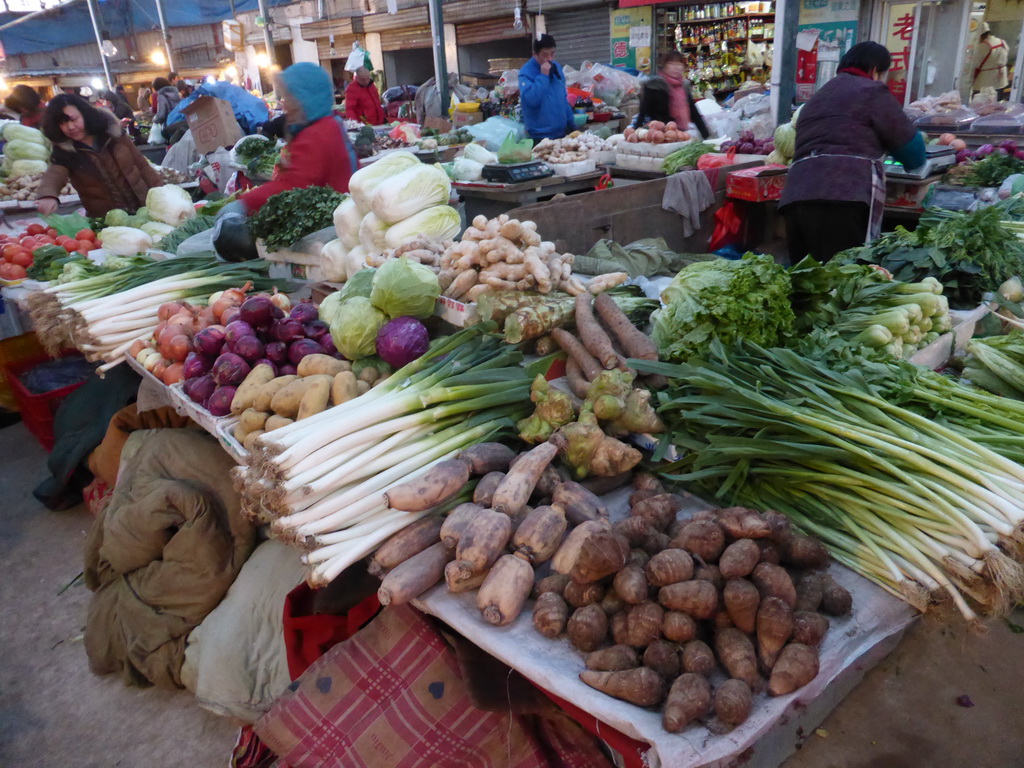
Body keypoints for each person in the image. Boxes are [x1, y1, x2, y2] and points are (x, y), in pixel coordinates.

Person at [779, 42, 926, 263]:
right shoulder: (871, 91)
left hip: (796, 196)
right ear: (875, 70)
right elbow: (912, 153)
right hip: (843, 197)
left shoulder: (817, 98)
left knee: (805, 281)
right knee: (842, 281)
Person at [225, 62, 357, 215]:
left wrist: (245, 203)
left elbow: (293, 187)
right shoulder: (330, 123)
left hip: (334, 217)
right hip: (341, 210)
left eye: (289, 97)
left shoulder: (316, 135)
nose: (285, 104)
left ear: (304, 98)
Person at [34, 94, 162, 218]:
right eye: (62, 123)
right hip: (106, 220)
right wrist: (48, 195)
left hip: (143, 207)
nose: (70, 127)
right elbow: (55, 173)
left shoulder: (112, 133)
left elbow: (142, 165)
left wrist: (162, 194)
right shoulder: (65, 150)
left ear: (85, 114)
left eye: (73, 120)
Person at [634, 51, 708, 138]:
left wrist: (706, 135)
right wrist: (636, 133)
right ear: (665, 66)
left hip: (680, 134)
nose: (676, 68)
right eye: (672, 64)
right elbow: (643, 112)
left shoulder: (684, 86)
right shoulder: (655, 85)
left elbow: (694, 113)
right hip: (658, 135)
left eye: (679, 64)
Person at [519, 34, 576, 141]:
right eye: (545, 55)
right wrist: (543, 75)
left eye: (552, 54)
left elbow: (562, 98)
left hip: (561, 133)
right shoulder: (526, 73)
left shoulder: (556, 67)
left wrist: (571, 124)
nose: (549, 59)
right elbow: (531, 100)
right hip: (540, 136)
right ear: (535, 55)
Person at [973, 22, 1009, 98]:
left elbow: (976, 63)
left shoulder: (983, 45)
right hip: (1001, 79)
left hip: (985, 80)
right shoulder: (1002, 42)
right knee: (997, 102)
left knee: (981, 104)